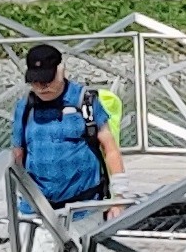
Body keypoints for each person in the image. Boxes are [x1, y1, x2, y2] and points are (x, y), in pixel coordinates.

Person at [9, 41, 124, 211]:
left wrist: (119, 199)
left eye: (47, 79)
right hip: (36, 208)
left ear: (61, 70)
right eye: (35, 81)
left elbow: (110, 148)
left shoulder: (85, 101)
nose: (42, 87)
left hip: (83, 207)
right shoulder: (24, 107)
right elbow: (18, 153)